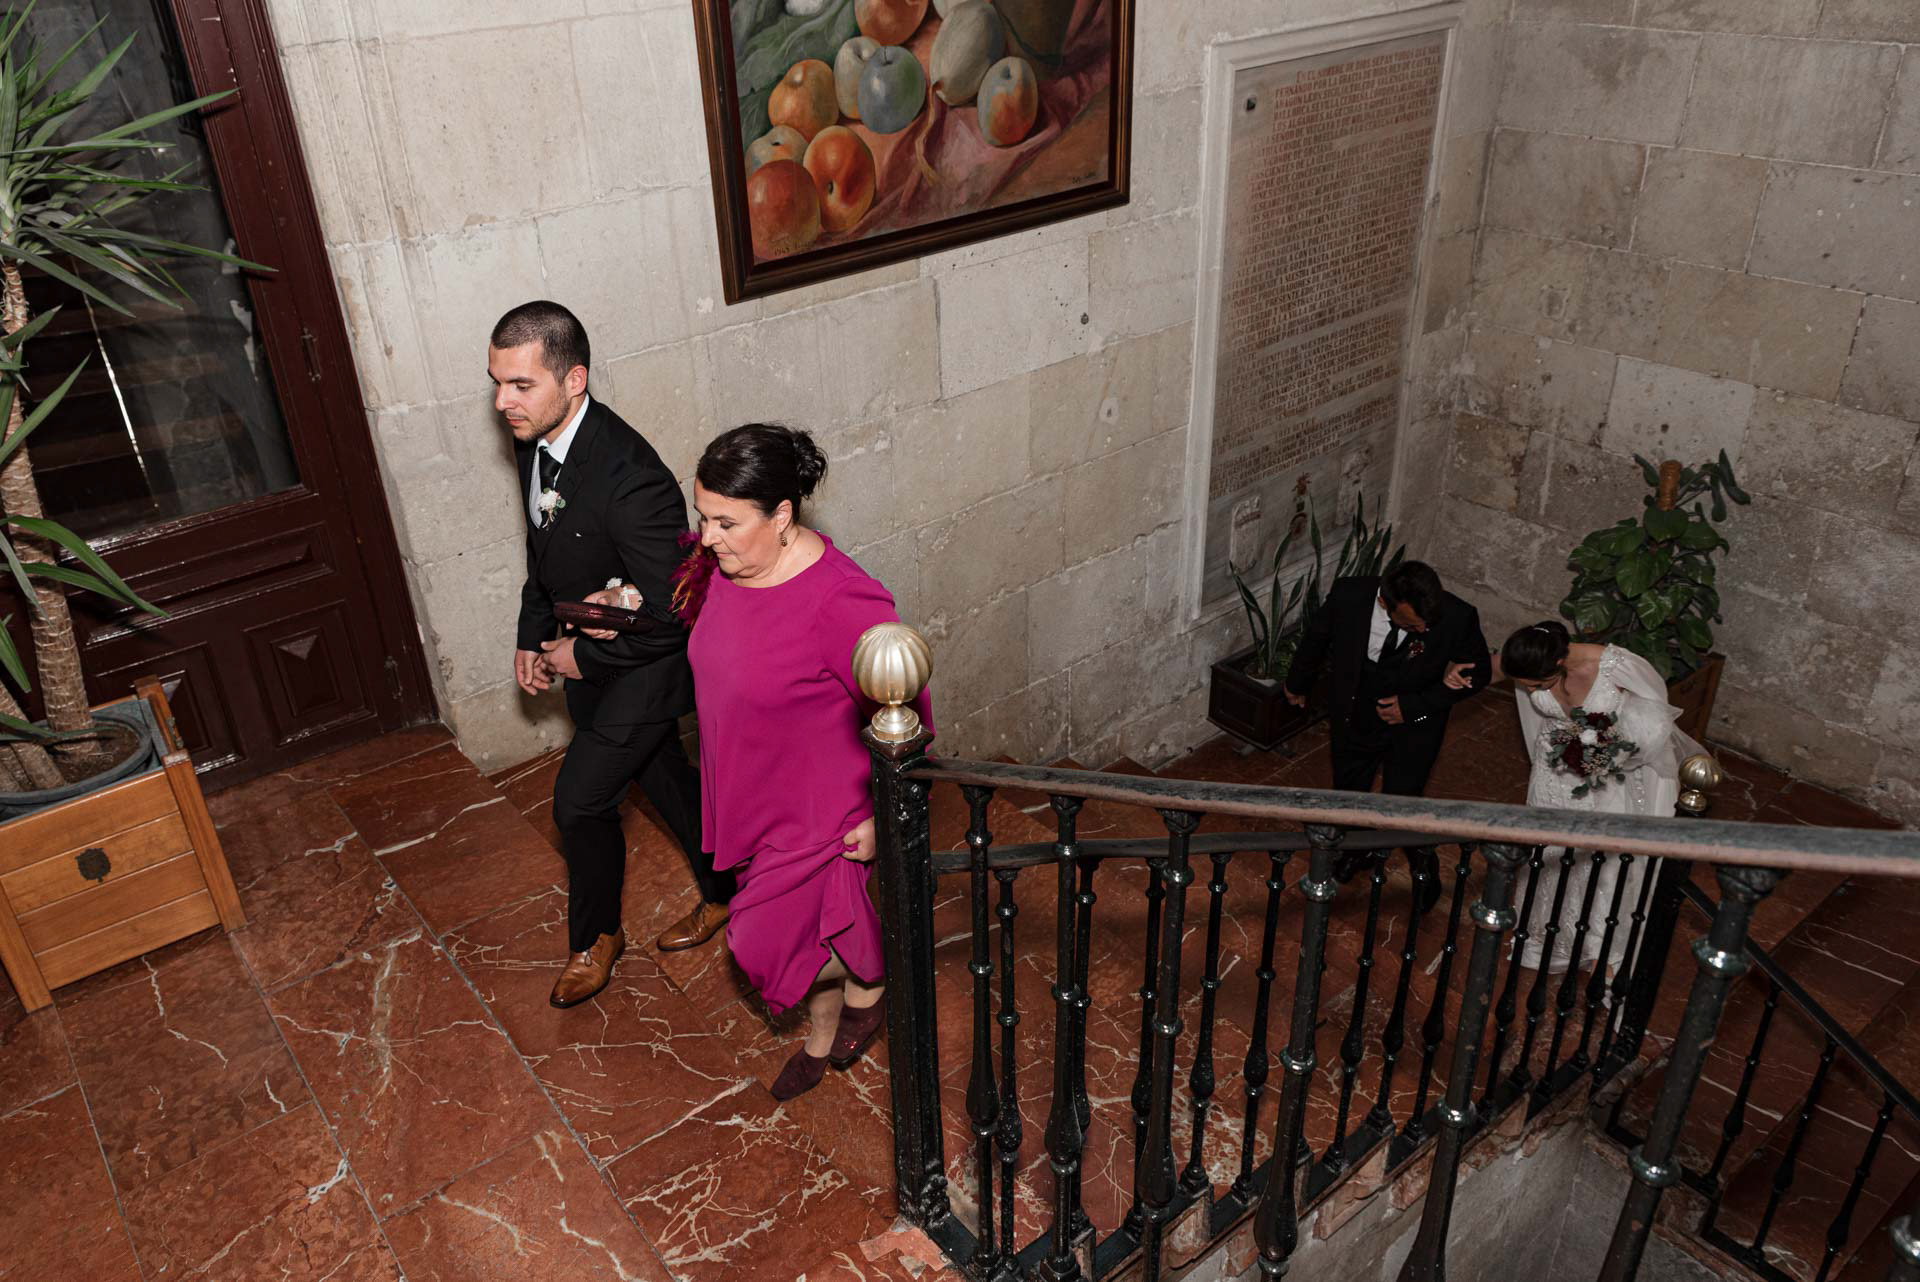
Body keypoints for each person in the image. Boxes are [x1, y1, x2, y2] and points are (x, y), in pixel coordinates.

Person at [675, 423, 930, 1101]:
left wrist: (886, 809)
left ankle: (871, 982)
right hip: (752, 795)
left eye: (725, 522)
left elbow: (913, 700)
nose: (708, 538)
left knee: (757, 947)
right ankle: (821, 1043)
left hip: (822, 814)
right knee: (814, 932)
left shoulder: (840, 600)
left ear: (782, 515)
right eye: (703, 517)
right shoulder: (735, 564)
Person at [492, 301, 734, 1011]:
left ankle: (596, 937)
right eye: (497, 383)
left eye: (520, 385)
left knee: (579, 803)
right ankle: (728, 890)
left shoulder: (634, 479)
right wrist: (532, 634)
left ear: (574, 379)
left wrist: (582, 662)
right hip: (584, 655)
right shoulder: (531, 438)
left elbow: (676, 617)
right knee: (665, 780)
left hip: (645, 671)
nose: (503, 402)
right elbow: (541, 545)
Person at [1447, 623, 1702, 975]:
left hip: (1605, 776)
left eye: (1539, 686)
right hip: (1551, 772)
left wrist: (1613, 750)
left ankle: (1600, 948)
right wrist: (1452, 677)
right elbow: (1488, 669)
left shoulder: (1617, 666)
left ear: (1561, 661)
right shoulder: (1530, 653)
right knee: (1549, 852)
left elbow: (1657, 716)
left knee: (1599, 863)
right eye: (1526, 686)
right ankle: (1549, 936)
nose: (1530, 691)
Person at [1282, 560, 1493, 901]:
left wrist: (1413, 708)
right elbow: (1316, 638)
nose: (1424, 628)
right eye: (1413, 624)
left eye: (1428, 623)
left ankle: (1422, 865)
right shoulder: (1349, 596)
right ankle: (1355, 851)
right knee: (1351, 790)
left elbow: (1478, 674)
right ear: (1385, 603)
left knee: (1404, 796)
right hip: (1355, 710)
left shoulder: (1458, 615)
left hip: (1418, 721)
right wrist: (1297, 683)